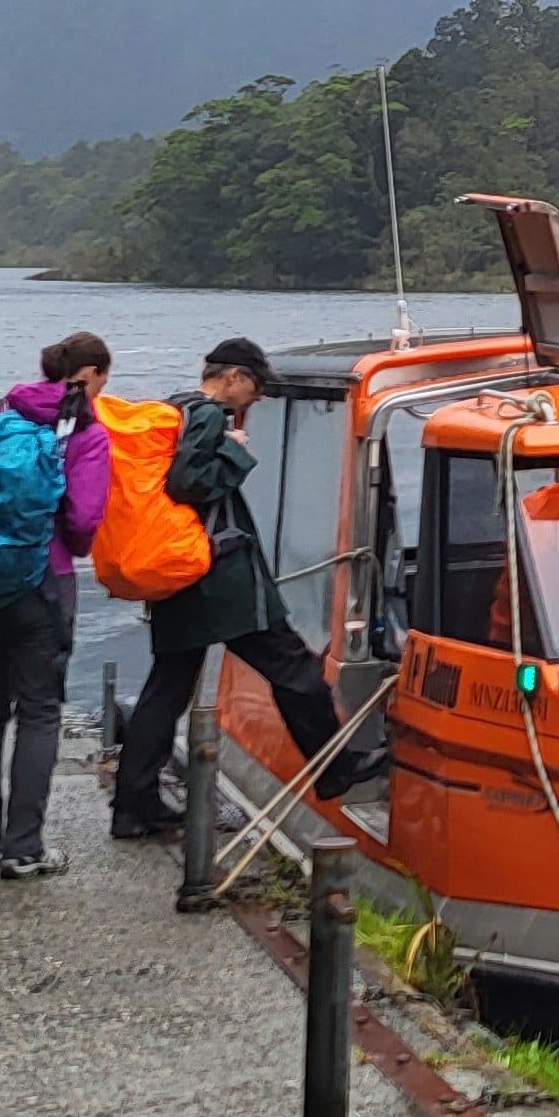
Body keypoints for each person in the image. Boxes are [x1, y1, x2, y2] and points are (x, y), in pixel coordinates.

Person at [112, 336, 378, 839]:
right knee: (295, 667)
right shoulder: (211, 415)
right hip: (220, 582)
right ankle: (335, 768)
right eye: (254, 387)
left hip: (179, 576)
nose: (255, 399)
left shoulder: (176, 408)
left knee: (165, 691)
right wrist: (234, 455)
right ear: (232, 377)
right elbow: (188, 483)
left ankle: (133, 803)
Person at [0, 331, 112, 878]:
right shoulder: (86, 433)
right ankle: (25, 848)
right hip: (42, 580)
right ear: (92, 375)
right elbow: (82, 521)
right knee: (39, 711)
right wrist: (67, 546)